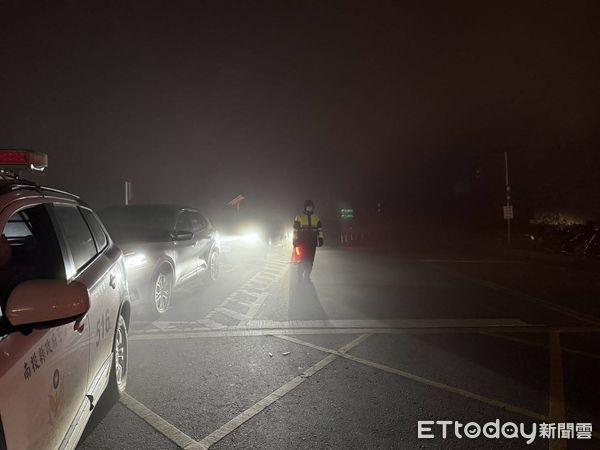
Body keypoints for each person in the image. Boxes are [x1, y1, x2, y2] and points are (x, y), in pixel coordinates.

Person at [292, 200, 323, 281]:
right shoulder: (299, 217)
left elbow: (319, 229)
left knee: (310, 260)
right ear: (305, 207)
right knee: (302, 259)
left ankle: (307, 275)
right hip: (302, 243)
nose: (309, 208)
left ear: (313, 208)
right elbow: (295, 230)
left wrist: (320, 238)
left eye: (311, 207)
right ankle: (300, 275)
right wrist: (295, 240)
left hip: (312, 243)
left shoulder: (316, 218)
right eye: (308, 206)